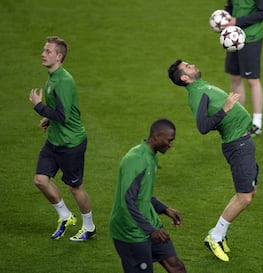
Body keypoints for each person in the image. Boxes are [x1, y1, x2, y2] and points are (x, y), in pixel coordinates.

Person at [168, 59, 259, 262]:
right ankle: (215, 236)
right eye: (188, 66)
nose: (193, 65)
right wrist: (225, 108)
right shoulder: (196, 94)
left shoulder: (201, 86)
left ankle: (219, 233)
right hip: (237, 145)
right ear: (185, 78)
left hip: (243, 142)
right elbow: (203, 126)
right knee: (244, 197)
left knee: (250, 192)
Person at [29, 36, 96, 241]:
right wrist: (47, 119)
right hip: (54, 140)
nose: (43, 54)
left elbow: (63, 116)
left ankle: (89, 226)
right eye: (43, 50)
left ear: (59, 56)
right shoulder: (53, 77)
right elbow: (60, 111)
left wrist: (39, 106)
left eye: (48, 51)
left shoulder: (64, 81)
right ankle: (65, 216)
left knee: (75, 187)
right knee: (40, 180)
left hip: (71, 143)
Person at [109, 119, 187, 273]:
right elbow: (128, 201)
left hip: (150, 223)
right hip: (130, 232)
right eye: (169, 140)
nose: (171, 145)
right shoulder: (136, 160)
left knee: (176, 266)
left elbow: (143, 195)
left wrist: (165, 209)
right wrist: (150, 231)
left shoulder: (151, 156)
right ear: (157, 136)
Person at [222, 0, 263, 135]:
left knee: (252, 80)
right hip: (233, 36)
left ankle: (257, 123)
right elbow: (230, 6)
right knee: (235, 77)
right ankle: (239, 119)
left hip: (250, 37)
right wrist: (223, 20)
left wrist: (238, 21)